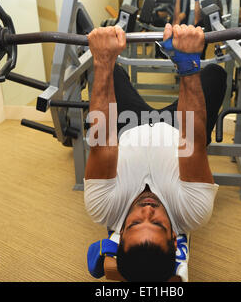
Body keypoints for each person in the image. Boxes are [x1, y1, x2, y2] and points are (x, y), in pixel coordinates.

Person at [84, 23, 226, 281]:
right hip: (177, 129)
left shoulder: (102, 208)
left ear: (120, 235)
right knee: (216, 74)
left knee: (108, 72)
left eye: (136, 222)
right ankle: (178, 56)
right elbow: (192, 140)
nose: (147, 211)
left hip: (129, 124)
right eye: (158, 223)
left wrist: (103, 61)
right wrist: (188, 64)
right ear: (174, 240)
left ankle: (94, 36)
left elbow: (102, 139)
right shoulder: (193, 212)